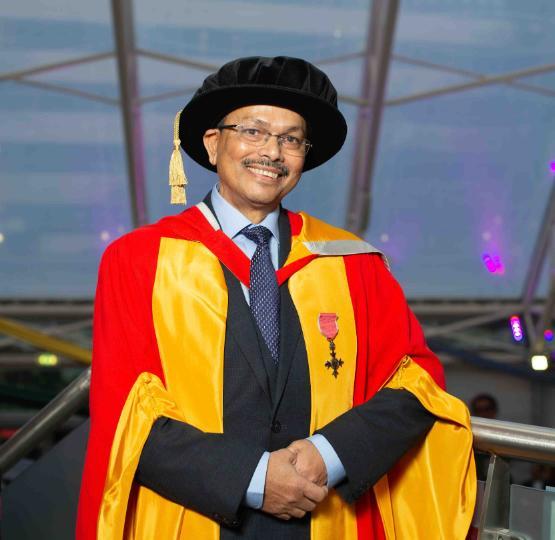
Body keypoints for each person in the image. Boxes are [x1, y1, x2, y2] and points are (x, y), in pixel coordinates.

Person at [77, 56, 476, 540]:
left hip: (329, 518)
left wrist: (330, 454)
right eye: (253, 131)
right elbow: (124, 410)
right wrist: (252, 479)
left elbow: (418, 384)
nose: (273, 152)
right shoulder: (141, 260)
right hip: (192, 520)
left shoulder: (351, 262)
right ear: (212, 142)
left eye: (291, 139)